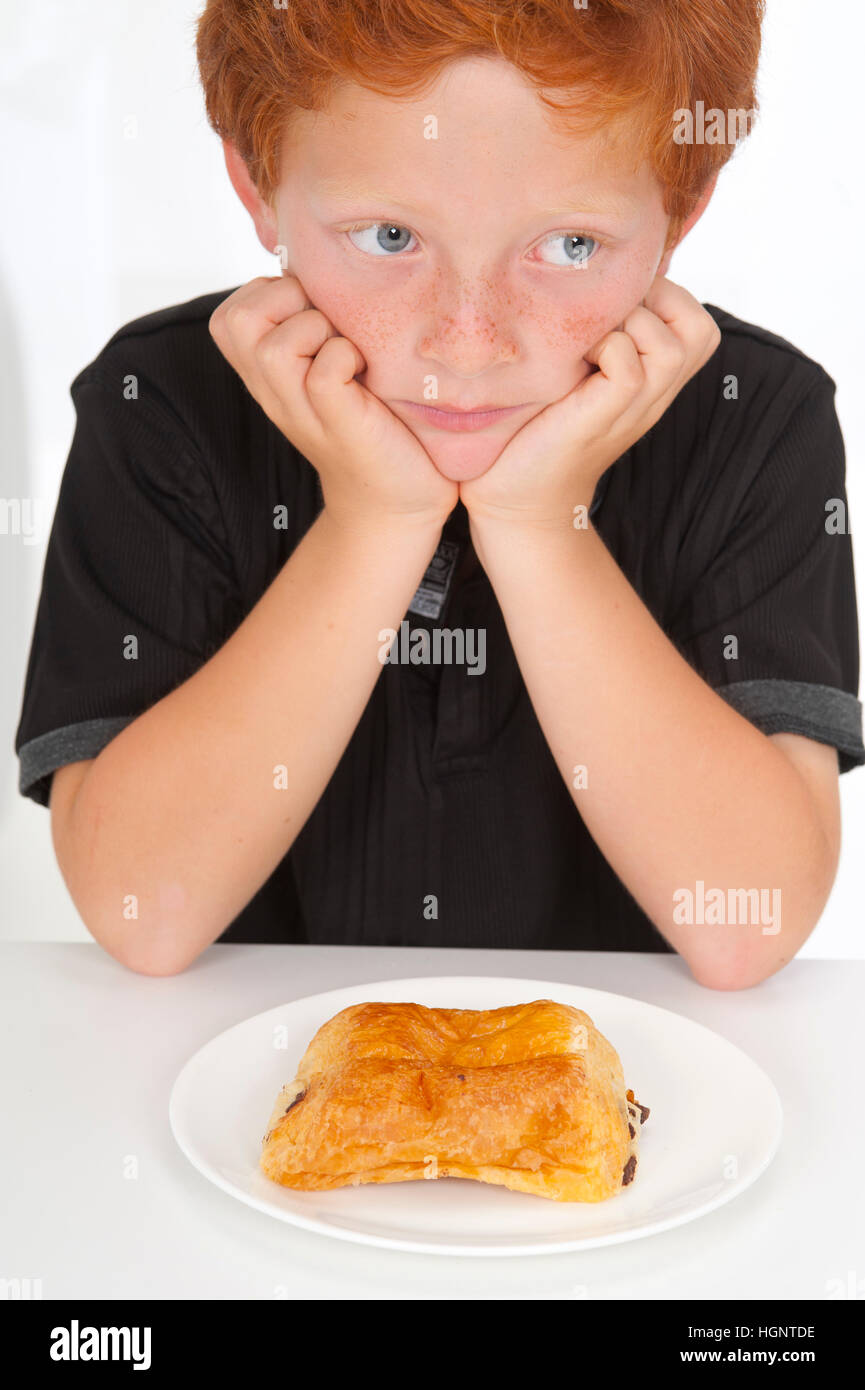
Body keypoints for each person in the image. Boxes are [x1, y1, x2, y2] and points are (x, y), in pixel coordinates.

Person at [16, 0, 863, 986]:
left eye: (570, 247)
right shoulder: (161, 402)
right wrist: (374, 519)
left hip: (621, 1111)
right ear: (256, 182)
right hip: (266, 1113)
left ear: (682, 209)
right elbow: (144, 913)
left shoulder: (751, 415)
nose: (467, 344)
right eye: (386, 236)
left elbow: (745, 926)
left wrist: (539, 526)